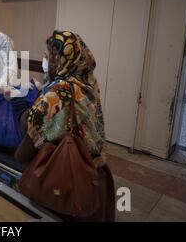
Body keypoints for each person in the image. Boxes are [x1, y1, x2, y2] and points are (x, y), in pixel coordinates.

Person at [14, 30, 115, 222]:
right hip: (96, 172)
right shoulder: (88, 81)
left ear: (60, 58)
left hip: (69, 178)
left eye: (49, 56)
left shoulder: (58, 92)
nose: (46, 61)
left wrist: (22, 111)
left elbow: (33, 126)